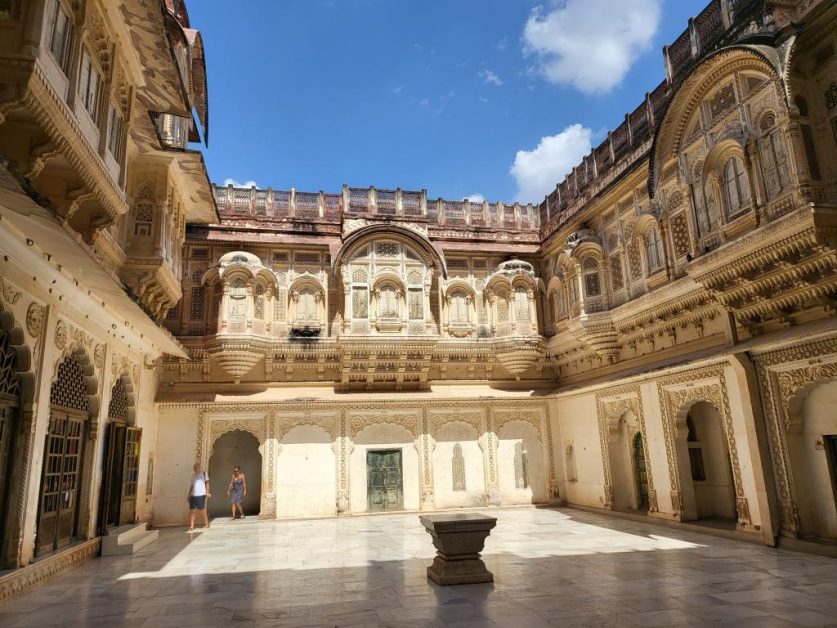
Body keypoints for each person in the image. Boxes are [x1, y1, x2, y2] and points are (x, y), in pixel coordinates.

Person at [187, 462, 211, 531]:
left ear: (199, 467)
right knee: (192, 511)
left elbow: (207, 483)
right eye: (194, 467)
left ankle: (206, 523)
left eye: (197, 467)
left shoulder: (204, 473)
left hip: (201, 495)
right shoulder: (193, 476)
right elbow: (192, 486)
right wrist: (188, 495)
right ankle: (191, 526)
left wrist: (207, 492)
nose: (195, 468)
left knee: (202, 510)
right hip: (193, 496)